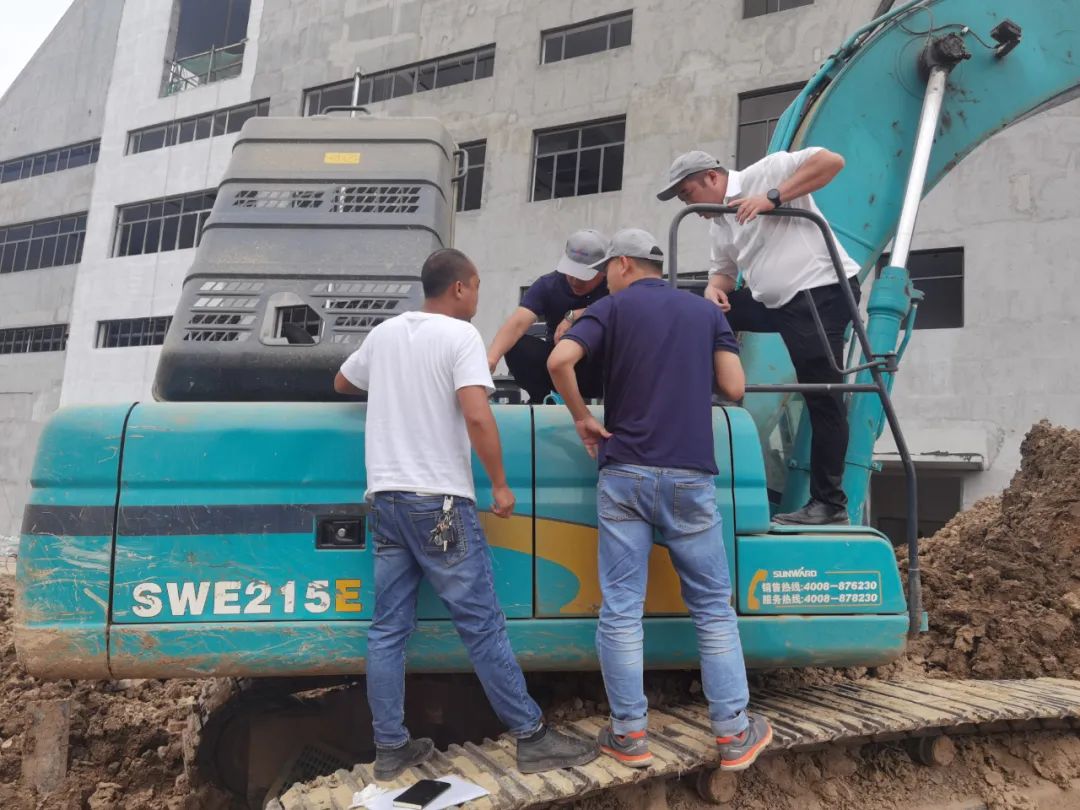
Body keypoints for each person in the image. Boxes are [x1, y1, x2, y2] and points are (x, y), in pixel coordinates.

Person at [334, 248, 598, 780]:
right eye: (476, 287)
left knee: (387, 630)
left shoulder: (385, 335)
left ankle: (390, 748)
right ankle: (531, 736)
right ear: (459, 288)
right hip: (439, 503)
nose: (478, 297)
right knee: (481, 625)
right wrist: (499, 484)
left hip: (386, 498)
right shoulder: (459, 338)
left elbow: (343, 383)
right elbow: (478, 416)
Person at [547, 229, 772, 772]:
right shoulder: (704, 314)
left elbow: (559, 363)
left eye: (608, 269)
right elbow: (736, 389)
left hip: (625, 475)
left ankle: (629, 736)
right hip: (691, 477)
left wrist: (582, 417)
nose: (604, 278)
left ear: (624, 264)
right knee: (714, 611)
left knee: (622, 612)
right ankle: (734, 734)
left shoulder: (612, 308)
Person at [657, 148, 862, 526]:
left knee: (822, 395)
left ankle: (830, 503)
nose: (688, 204)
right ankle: (712, 391)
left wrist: (772, 197)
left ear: (713, 178)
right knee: (698, 313)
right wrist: (713, 292)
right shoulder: (718, 223)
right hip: (776, 303)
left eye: (687, 193)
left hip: (820, 293)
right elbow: (723, 271)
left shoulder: (766, 171)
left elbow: (833, 161)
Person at [487, 229, 609, 403]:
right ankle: (546, 399)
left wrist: (576, 315)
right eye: (571, 274)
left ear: (603, 270)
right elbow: (518, 323)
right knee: (517, 346)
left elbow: (628, 312)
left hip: (600, 368)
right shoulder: (548, 285)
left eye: (582, 277)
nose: (574, 281)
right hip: (557, 367)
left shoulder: (613, 286)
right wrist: (491, 360)